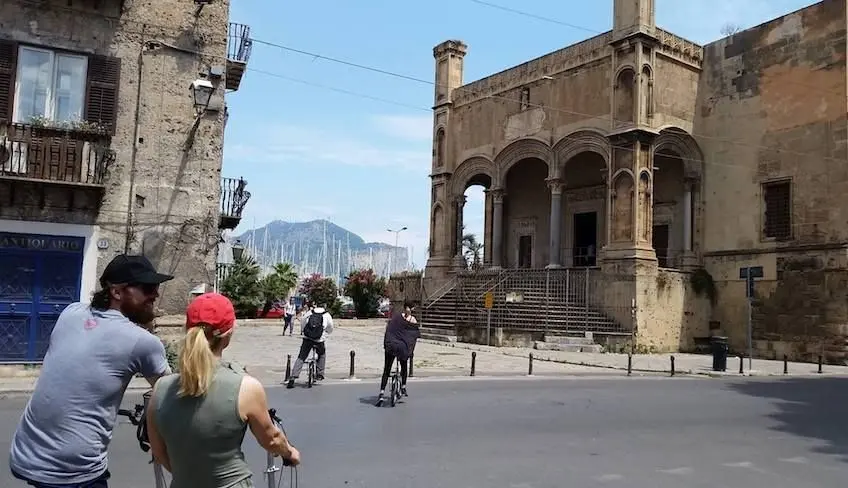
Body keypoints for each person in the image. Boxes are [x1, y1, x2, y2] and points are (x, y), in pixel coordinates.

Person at [9, 254, 173, 488]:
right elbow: (171, 393)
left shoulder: (71, 312)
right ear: (116, 292)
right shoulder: (142, 342)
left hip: (25, 454)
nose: (155, 294)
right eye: (147, 288)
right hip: (73, 471)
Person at [146, 293, 301, 488]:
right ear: (228, 334)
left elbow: (159, 451)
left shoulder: (161, 388)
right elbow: (271, 440)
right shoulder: (246, 387)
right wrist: (290, 453)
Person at [376, 300, 420, 406]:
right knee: (387, 369)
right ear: (405, 308)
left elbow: (412, 336)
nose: (410, 310)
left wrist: (410, 348)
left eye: (412, 308)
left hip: (402, 346)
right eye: (409, 307)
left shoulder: (413, 320)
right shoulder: (397, 317)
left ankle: (403, 386)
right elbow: (390, 329)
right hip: (393, 344)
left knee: (404, 365)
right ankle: (381, 393)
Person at [286, 301, 333, 388]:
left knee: (301, 357)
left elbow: (303, 322)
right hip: (319, 340)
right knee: (322, 354)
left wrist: (305, 331)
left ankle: (293, 376)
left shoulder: (310, 312)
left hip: (308, 338)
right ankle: (320, 374)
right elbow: (330, 328)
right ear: (324, 306)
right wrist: (326, 332)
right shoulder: (327, 315)